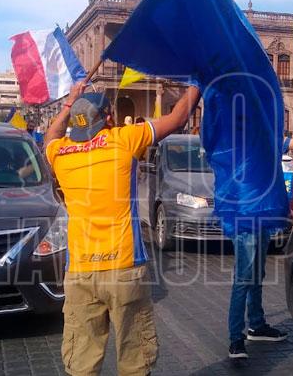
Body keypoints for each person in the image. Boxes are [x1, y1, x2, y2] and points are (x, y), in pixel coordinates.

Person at [45, 81, 201, 376]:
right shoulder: (124, 139)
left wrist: (69, 103)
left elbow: (50, 136)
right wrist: (198, 81)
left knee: (80, 365)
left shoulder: (60, 153)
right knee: (135, 362)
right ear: (108, 118)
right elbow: (178, 118)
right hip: (124, 267)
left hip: (80, 272)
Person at [227, 107, 293, 360]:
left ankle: (256, 325)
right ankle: (235, 339)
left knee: (257, 274)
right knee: (244, 278)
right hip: (245, 218)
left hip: (263, 218)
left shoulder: (272, 141)